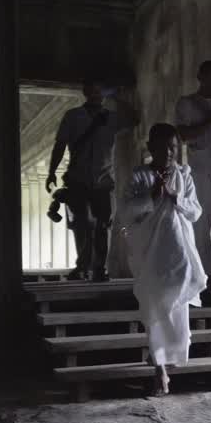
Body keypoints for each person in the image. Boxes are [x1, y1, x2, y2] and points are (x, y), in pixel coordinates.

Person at [119, 123, 207, 396]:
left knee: (177, 304)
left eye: (174, 147)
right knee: (154, 306)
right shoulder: (139, 176)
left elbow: (196, 212)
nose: (169, 152)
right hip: (150, 251)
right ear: (151, 147)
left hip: (178, 250)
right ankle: (159, 368)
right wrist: (151, 197)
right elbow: (124, 212)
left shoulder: (184, 175)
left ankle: (168, 354)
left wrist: (175, 196)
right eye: (164, 146)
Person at [47, 80, 138, 282]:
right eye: (93, 90)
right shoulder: (73, 117)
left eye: (101, 91)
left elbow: (134, 119)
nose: (97, 94)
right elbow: (60, 145)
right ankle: (82, 266)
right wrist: (51, 172)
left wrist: (118, 98)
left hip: (103, 181)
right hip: (78, 179)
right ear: (86, 92)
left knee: (102, 226)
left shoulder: (111, 118)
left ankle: (98, 269)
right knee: (81, 224)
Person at [175, 60, 211, 285]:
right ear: (199, 77)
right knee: (201, 222)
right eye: (209, 77)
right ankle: (204, 274)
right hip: (200, 168)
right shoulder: (186, 103)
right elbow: (184, 135)